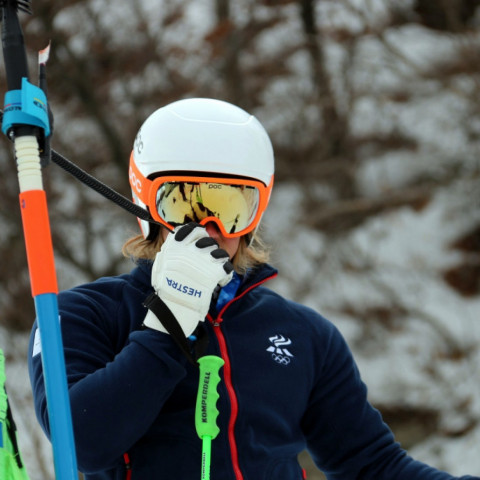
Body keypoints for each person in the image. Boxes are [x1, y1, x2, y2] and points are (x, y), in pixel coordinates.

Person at [28, 98, 479, 480]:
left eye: (230, 205)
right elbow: (81, 444)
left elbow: (373, 465)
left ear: (257, 211)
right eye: (183, 201)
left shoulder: (303, 333)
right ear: (144, 201)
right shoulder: (82, 314)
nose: (209, 227)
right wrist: (168, 321)